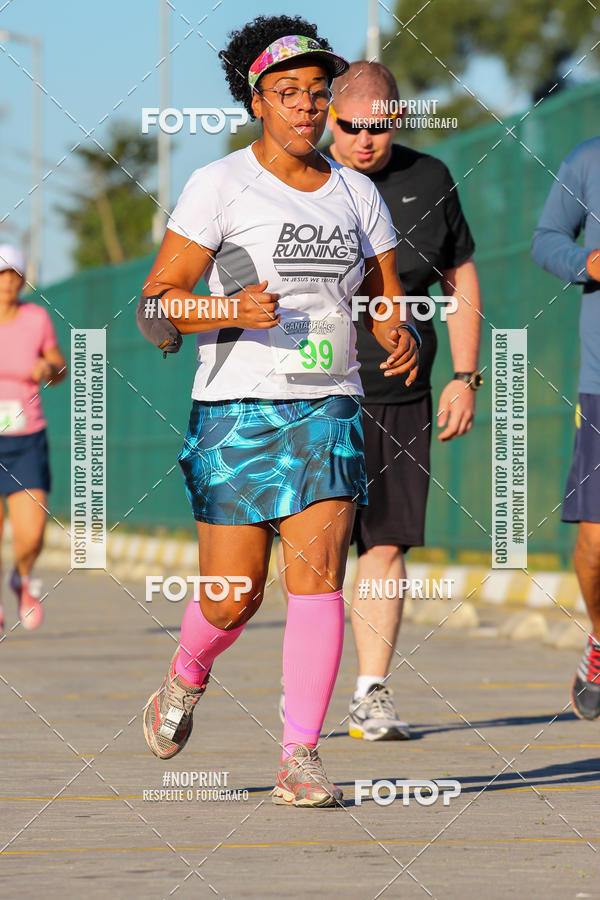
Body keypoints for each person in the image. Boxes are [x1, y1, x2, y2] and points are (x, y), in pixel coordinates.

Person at [137, 16, 419, 808]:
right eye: (288, 93)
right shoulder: (218, 186)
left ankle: (301, 755)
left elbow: (385, 303)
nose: (306, 107)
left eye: (317, 94)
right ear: (256, 101)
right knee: (233, 595)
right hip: (234, 413)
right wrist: (226, 310)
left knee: (319, 580)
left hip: (327, 407)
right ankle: (186, 678)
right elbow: (153, 309)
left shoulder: (359, 194)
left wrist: (396, 337)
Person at [277, 62, 482, 740]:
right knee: (316, 552)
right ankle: (299, 698)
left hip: (402, 395)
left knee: (387, 545)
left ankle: (370, 692)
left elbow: (458, 277)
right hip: (312, 394)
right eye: (350, 126)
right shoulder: (296, 178)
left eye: (380, 127)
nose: (365, 140)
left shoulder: (430, 180)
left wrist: (465, 374)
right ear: (329, 118)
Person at [531, 136, 600, 721]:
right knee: (597, 546)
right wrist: (587, 263)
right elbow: (545, 240)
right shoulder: (587, 158)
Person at [0, 244, 68, 634]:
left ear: (22, 279)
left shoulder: (36, 318)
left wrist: (49, 368)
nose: (7, 282)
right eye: (0, 274)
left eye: (13, 274)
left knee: (31, 535)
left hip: (27, 439)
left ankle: (22, 580)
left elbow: (60, 369)